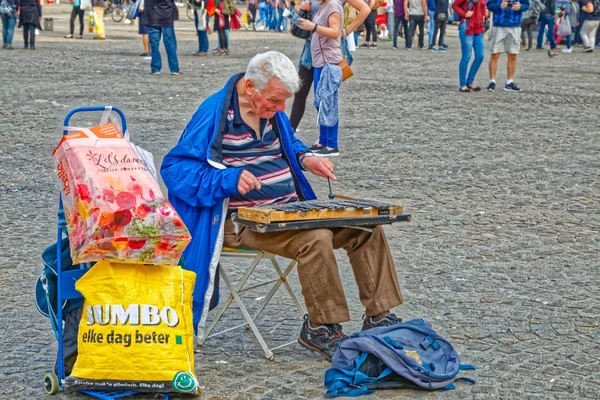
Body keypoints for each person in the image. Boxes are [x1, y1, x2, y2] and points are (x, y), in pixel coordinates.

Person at [160, 51, 404, 361]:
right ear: (250, 87)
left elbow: (289, 143)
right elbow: (176, 170)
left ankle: (379, 317)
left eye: (284, 102)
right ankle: (321, 328)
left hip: (287, 212)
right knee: (315, 239)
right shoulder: (214, 113)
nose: (280, 110)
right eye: (275, 102)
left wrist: (306, 158)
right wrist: (229, 180)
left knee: (367, 226)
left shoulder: (271, 112)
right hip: (242, 221)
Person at [289, 0, 369, 134]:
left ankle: (326, 140)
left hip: (328, 50)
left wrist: (347, 30)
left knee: (325, 96)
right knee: (300, 92)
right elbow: (297, 8)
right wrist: (300, 7)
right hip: (311, 48)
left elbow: (365, 9)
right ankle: (289, 133)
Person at [295, 0, 342, 157]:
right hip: (319, 62)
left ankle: (331, 144)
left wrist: (313, 27)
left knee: (329, 103)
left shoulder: (333, 5)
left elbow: (335, 32)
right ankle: (323, 140)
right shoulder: (322, 6)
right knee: (321, 103)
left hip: (328, 61)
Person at [486, 0, 529, 92]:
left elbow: (526, 5)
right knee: (495, 54)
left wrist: (520, 7)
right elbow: (489, 4)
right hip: (499, 24)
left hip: (514, 25)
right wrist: (499, 5)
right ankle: (492, 81)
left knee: (512, 54)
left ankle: (509, 82)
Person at [453, 0, 486, 91]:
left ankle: (470, 81)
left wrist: (485, 13)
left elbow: (482, 8)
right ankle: (463, 83)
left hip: (479, 28)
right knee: (466, 56)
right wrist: (464, 13)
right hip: (467, 26)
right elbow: (455, 5)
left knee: (480, 56)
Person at [146, 0, 181, 74]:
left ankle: (155, 68)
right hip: (167, 15)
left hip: (152, 16)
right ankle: (174, 68)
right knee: (170, 44)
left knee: (154, 44)